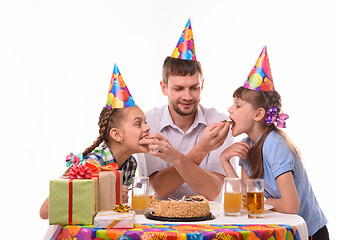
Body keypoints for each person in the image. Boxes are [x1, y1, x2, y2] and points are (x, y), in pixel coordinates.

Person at [220, 46, 329, 240]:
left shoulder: (275, 144)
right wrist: (224, 160)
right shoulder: (248, 144)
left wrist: (257, 200)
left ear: (258, 114)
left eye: (237, 105)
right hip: (281, 230)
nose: (229, 109)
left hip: (308, 234)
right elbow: (244, 197)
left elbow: (290, 206)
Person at [139, 19, 234, 201]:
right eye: (178, 89)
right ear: (164, 87)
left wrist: (176, 157)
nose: (188, 96)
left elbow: (213, 191)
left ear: (202, 84)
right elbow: (159, 187)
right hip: (160, 222)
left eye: (194, 87)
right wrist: (202, 149)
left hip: (208, 223)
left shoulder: (218, 122)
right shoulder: (148, 123)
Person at [39, 64, 150, 219]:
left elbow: (109, 213)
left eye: (145, 122)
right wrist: (102, 194)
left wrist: (118, 202)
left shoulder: (130, 164)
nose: (147, 128)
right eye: (138, 123)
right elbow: (45, 211)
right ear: (116, 135)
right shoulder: (92, 164)